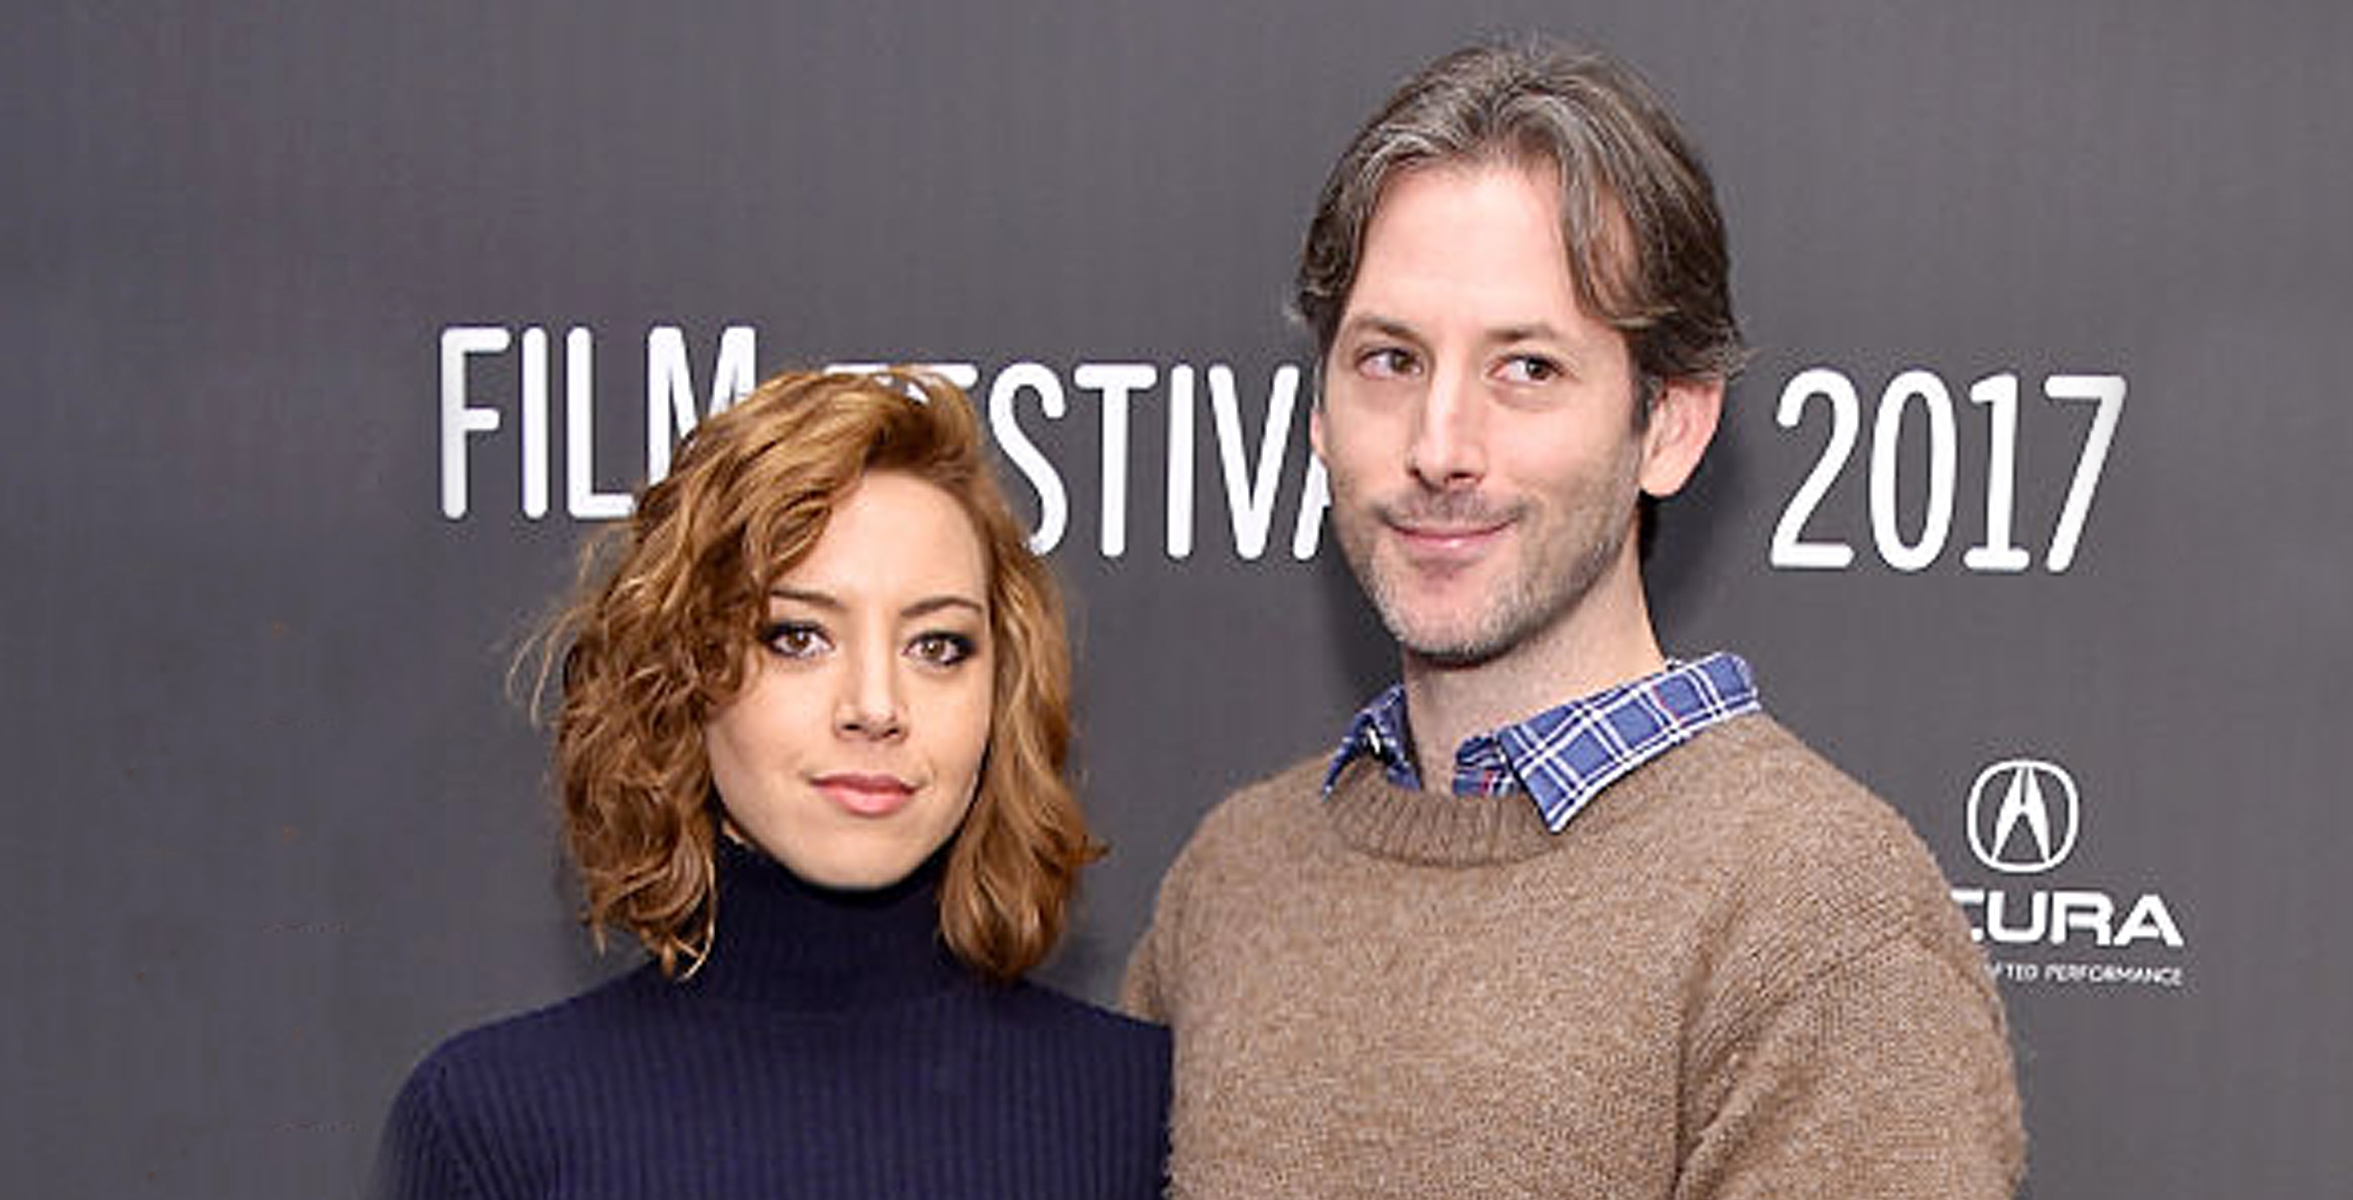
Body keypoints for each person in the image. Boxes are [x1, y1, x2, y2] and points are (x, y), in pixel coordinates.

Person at [1122, 39, 2024, 1199]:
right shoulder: (1235, 878)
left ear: (1672, 426)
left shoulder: (1821, 925)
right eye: (1389, 359)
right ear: (1318, 413)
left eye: (1528, 370)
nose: (1439, 446)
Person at [377, 368, 1170, 1199]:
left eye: (937, 646)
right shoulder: (495, 1124)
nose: (875, 706)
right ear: (681, 672)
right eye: (797, 637)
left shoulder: (1141, 1115)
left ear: (1002, 691)